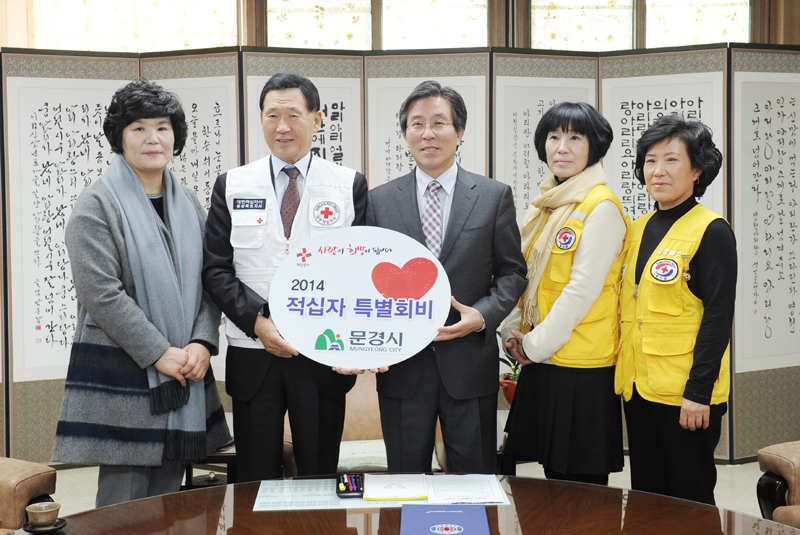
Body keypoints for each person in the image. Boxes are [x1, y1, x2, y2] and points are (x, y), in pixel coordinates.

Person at [52, 80, 231, 507]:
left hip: (184, 371)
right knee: (124, 508)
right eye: (139, 128)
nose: (153, 138)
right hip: (126, 373)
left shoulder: (188, 202)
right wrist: (158, 353)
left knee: (169, 506)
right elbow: (101, 294)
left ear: (175, 136)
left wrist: (202, 342)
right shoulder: (97, 205)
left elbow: (211, 279)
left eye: (163, 127)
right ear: (119, 136)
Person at [202, 72, 368, 481]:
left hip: (321, 351)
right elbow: (216, 269)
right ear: (260, 119)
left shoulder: (348, 184)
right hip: (254, 350)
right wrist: (259, 322)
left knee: (319, 474)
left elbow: (361, 270)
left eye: (293, 115)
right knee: (254, 478)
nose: (282, 127)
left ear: (317, 119)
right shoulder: (232, 184)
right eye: (272, 115)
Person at [364, 80, 528, 474]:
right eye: (417, 124)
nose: (428, 133)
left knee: (474, 483)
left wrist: (482, 315)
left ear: (460, 131)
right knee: (404, 481)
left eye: (439, 122)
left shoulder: (493, 196)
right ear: (405, 134)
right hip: (403, 367)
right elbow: (365, 279)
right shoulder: (379, 201)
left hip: (469, 364)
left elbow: (512, 271)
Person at [500, 102, 628, 485]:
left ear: (595, 146)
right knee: (551, 484)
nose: (562, 148)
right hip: (543, 359)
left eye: (575, 138)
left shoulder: (600, 206)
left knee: (581, 491)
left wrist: (533, 345)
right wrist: (512, 333)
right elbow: (526, 277)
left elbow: (581, 290)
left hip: (581, 368)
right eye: (554, 137)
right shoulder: (548, 204)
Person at [616, 113, 735, 505]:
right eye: (650, 161)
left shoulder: (712, 230)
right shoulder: (638, 228)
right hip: (639, 388)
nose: (658, 171)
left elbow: (718, 316)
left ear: (697, 170)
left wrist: (699, 391)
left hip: (686, 396)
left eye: (671, 160)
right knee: (648, 498)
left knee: (689, 501)